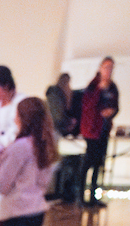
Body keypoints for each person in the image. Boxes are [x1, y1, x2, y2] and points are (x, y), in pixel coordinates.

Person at [0, 98, 64, 226]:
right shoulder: (45, 145)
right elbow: (42, 181)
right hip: (35, 212)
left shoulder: (19, 147)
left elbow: (1, 185)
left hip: (17, 214)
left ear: (21, 117)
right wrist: (4, 158)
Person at [78, 57, 119, 208]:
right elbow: (87, 106)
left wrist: (112, 112)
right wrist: (98, 90)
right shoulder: (93, 85)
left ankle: (94, 197)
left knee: (99, 164)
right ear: (101, 67)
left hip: (104, 130)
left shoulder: (113, 87)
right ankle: (81, 197)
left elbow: (116, 106)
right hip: (91, 130)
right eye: (107, 67)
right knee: (88, 163)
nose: (109, 70)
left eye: (111, 67)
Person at [45, 73, 76, 137]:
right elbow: (57, 112)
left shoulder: (58, 94)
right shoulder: (55, 94)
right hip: (56, 126)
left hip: (57, 126)